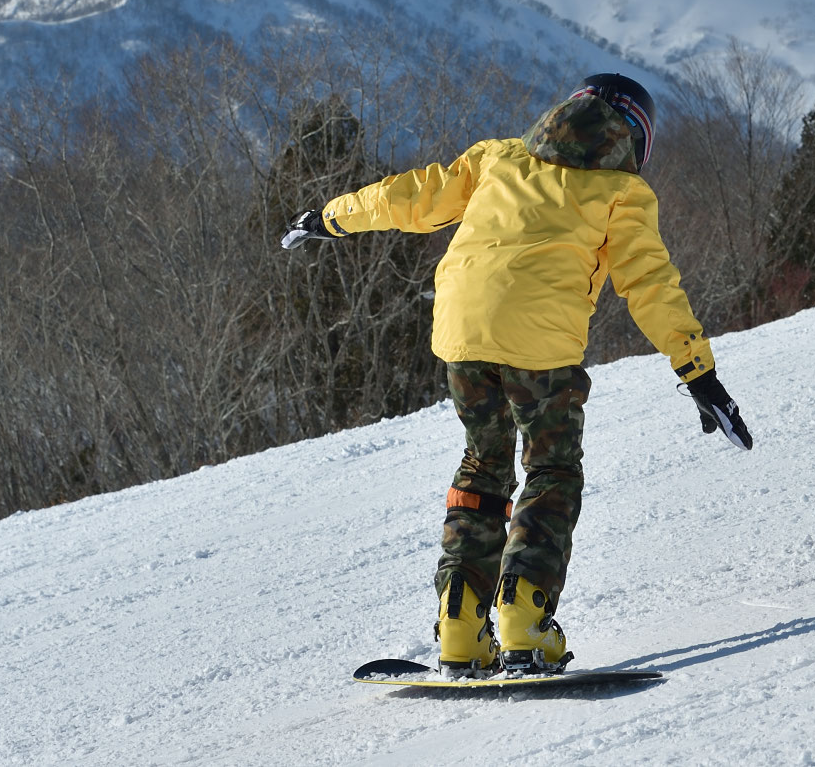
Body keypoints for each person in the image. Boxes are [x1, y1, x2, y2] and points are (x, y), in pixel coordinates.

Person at [280, 73, 752, 676]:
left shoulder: (499, 157)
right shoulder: (621, 192)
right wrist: (699, 375)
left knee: (483, 464)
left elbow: (414, 197)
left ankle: (460, 625)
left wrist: (331, 217)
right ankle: (524, 619)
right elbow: (650, 286)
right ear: (636, 139)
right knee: (551, 468)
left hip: (462, 329)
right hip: (540, 343)